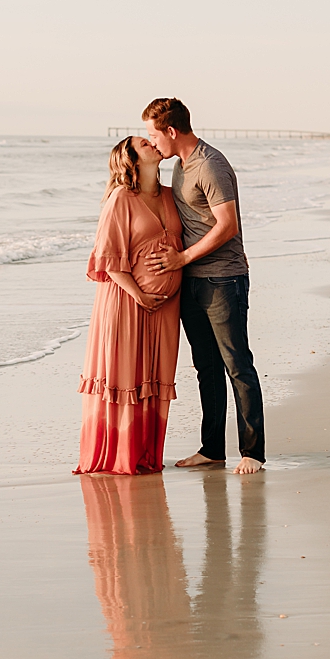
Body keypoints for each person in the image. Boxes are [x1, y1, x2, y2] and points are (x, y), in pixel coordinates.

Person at [142, 97, 265, 473]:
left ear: (171, 131)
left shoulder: (210, 165)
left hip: (223, 278)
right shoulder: (180, 165)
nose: (152, 142)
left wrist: (181, 258)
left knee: (236, 364)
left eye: (153, 134)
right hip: (193, 281)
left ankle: (252, 453)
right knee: (206, 368)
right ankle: (212, 448)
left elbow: (228, 226)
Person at [75, 135, 182, 475]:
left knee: (154, 375)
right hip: (126, 303)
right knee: (126, 375)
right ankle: (120, 453)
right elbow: (107, 260)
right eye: (143, 142)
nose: (152, 141)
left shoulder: (169, 195)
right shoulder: (121, 198)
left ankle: (147, 453)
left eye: (152, 138)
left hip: (165, 307)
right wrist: (139, 294)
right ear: (131, 159)